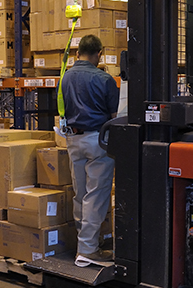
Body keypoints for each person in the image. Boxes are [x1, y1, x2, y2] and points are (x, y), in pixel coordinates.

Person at [61, 34, 119, 268]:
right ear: (99, 54)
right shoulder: (104, 79)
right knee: (95, 196)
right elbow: (115, 117)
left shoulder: (66, 78)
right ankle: (87, 250)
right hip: (98, 141)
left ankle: (82, 246)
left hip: (73, 140)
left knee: (81, 194)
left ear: (77, 53)